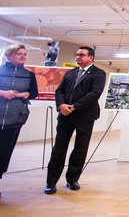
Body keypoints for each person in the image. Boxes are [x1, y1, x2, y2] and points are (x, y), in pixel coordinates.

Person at [45, 46, 106, 195]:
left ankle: (72, 179)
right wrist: (61, 105)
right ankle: (51, 182)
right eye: (76, 54)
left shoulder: (99, 73)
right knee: (59, 148)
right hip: (66, 115)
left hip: (85, 116)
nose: (77, 57)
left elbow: (95, 93)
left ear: (90, 57)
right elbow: (59, 91)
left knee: (80, 149)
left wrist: (74, 107)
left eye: (81, 55)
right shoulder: (70, 73)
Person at [0, 44, 38, 194]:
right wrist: (2, 93)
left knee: (4, 152)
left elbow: (33, 93)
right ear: (8, 55)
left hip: (15, 118)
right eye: (19, 54)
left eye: (25, 54)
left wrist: (21, 95)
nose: (23, 56)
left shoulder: (29, 75)